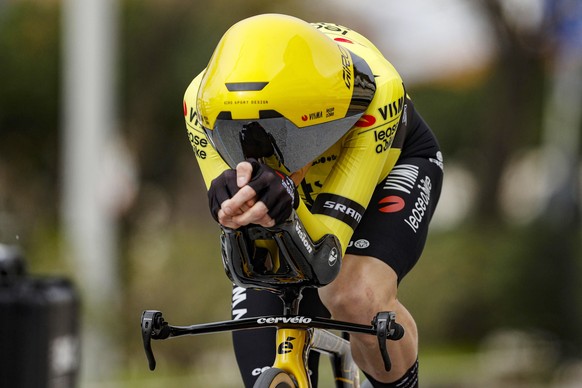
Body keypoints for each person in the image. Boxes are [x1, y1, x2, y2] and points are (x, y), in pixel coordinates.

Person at [182, 13, 443, 388]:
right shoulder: (199, 101)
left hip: (385, 169)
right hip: (296, 190)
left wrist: (287, 193)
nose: (259, 146)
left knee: (354, 296)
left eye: (283, 133)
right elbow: (239, 225)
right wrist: (231, 204)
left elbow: (328, 250)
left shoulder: (377, 91)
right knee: (260, 308)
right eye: (239, 133)